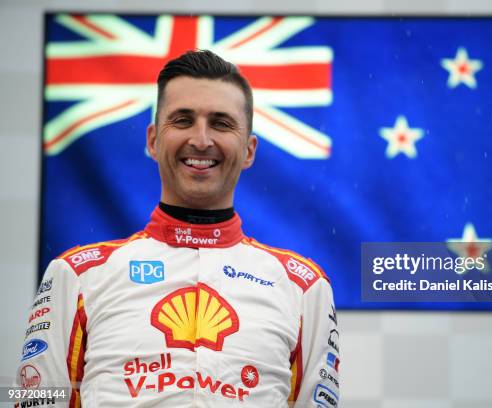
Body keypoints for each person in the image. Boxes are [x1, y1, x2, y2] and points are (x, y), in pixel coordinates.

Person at [18, 50, 340, 407]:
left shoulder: (304, 287)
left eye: (221, 123)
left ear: (249, 151)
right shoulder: (76, 275)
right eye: (183, 120)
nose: (201, 140)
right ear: (153, 140)